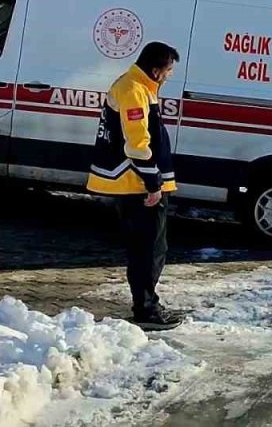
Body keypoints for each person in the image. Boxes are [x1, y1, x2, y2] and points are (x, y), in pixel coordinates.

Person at [87, 42, 182, 331]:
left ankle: (147, 303)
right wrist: (153, 184)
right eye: (168, 71)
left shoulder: (138, 85)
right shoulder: (133, 90)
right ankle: (146, 310)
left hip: (136, 181)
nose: (168, 77)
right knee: (148, 249)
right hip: (136, 183)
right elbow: (137, 145)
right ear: (155, 70)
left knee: (150, 247)